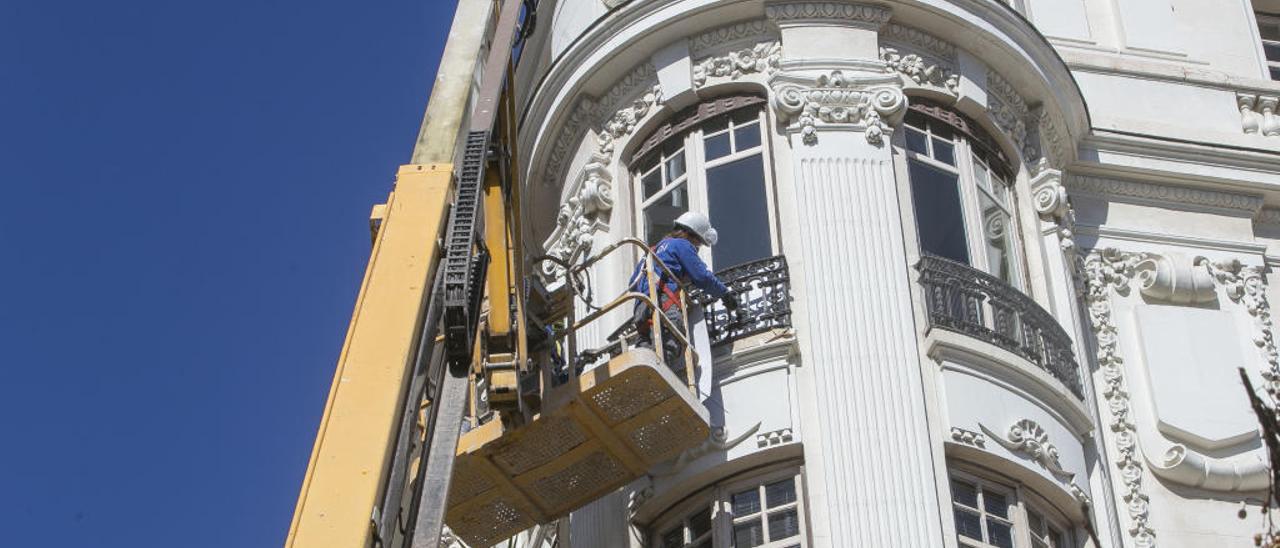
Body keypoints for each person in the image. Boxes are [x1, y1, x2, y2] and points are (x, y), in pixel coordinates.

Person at [629, 211, 739, 374]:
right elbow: (701, 276)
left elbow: (633, 283)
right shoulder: (682, 245)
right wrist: (724, 294)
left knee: (645, 350)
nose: (697, 248)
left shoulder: (651, 251)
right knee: (669, 343)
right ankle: (659, 377)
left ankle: (640, 378)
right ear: (692, 235)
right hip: (663, 304)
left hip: (640, 308)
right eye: (698, 244)